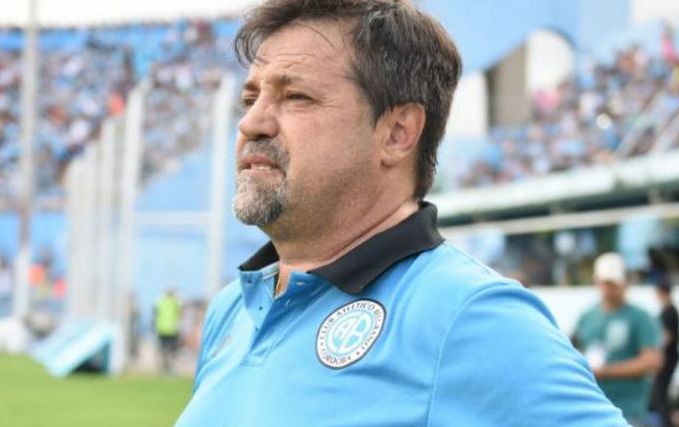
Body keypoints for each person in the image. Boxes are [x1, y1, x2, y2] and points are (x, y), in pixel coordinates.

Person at [176, 1, 629, 425]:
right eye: (250, 98)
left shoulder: (469, 316)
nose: (251, 122)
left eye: (296, 96)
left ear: (397, 133)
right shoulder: (231, 309)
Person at [573, 252, 662, 426]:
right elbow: (574, 349)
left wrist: (605, 371)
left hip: (628, 411)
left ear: (625, 283)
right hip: (591, 408)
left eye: (612, 283)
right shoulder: (587, 316)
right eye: (604, 283)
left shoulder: (640, 317)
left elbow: (652, 361)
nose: (607, 289)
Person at [650, 279, 678, 427]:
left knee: (660, 391)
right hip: (668, 356)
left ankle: (666, 423)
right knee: (660, 391)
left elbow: (667, 336)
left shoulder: (669, 311)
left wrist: (654, 350)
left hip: (667, 357)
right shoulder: (669, 310)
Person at [154, 289, 181, 374]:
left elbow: (155, 313)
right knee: (170, 351)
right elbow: (179, 313)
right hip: (170, 329)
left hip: (163, 329)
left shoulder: (160, 302)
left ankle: (165, 368)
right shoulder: (174, 302)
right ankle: (169, 368)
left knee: (165, 350)